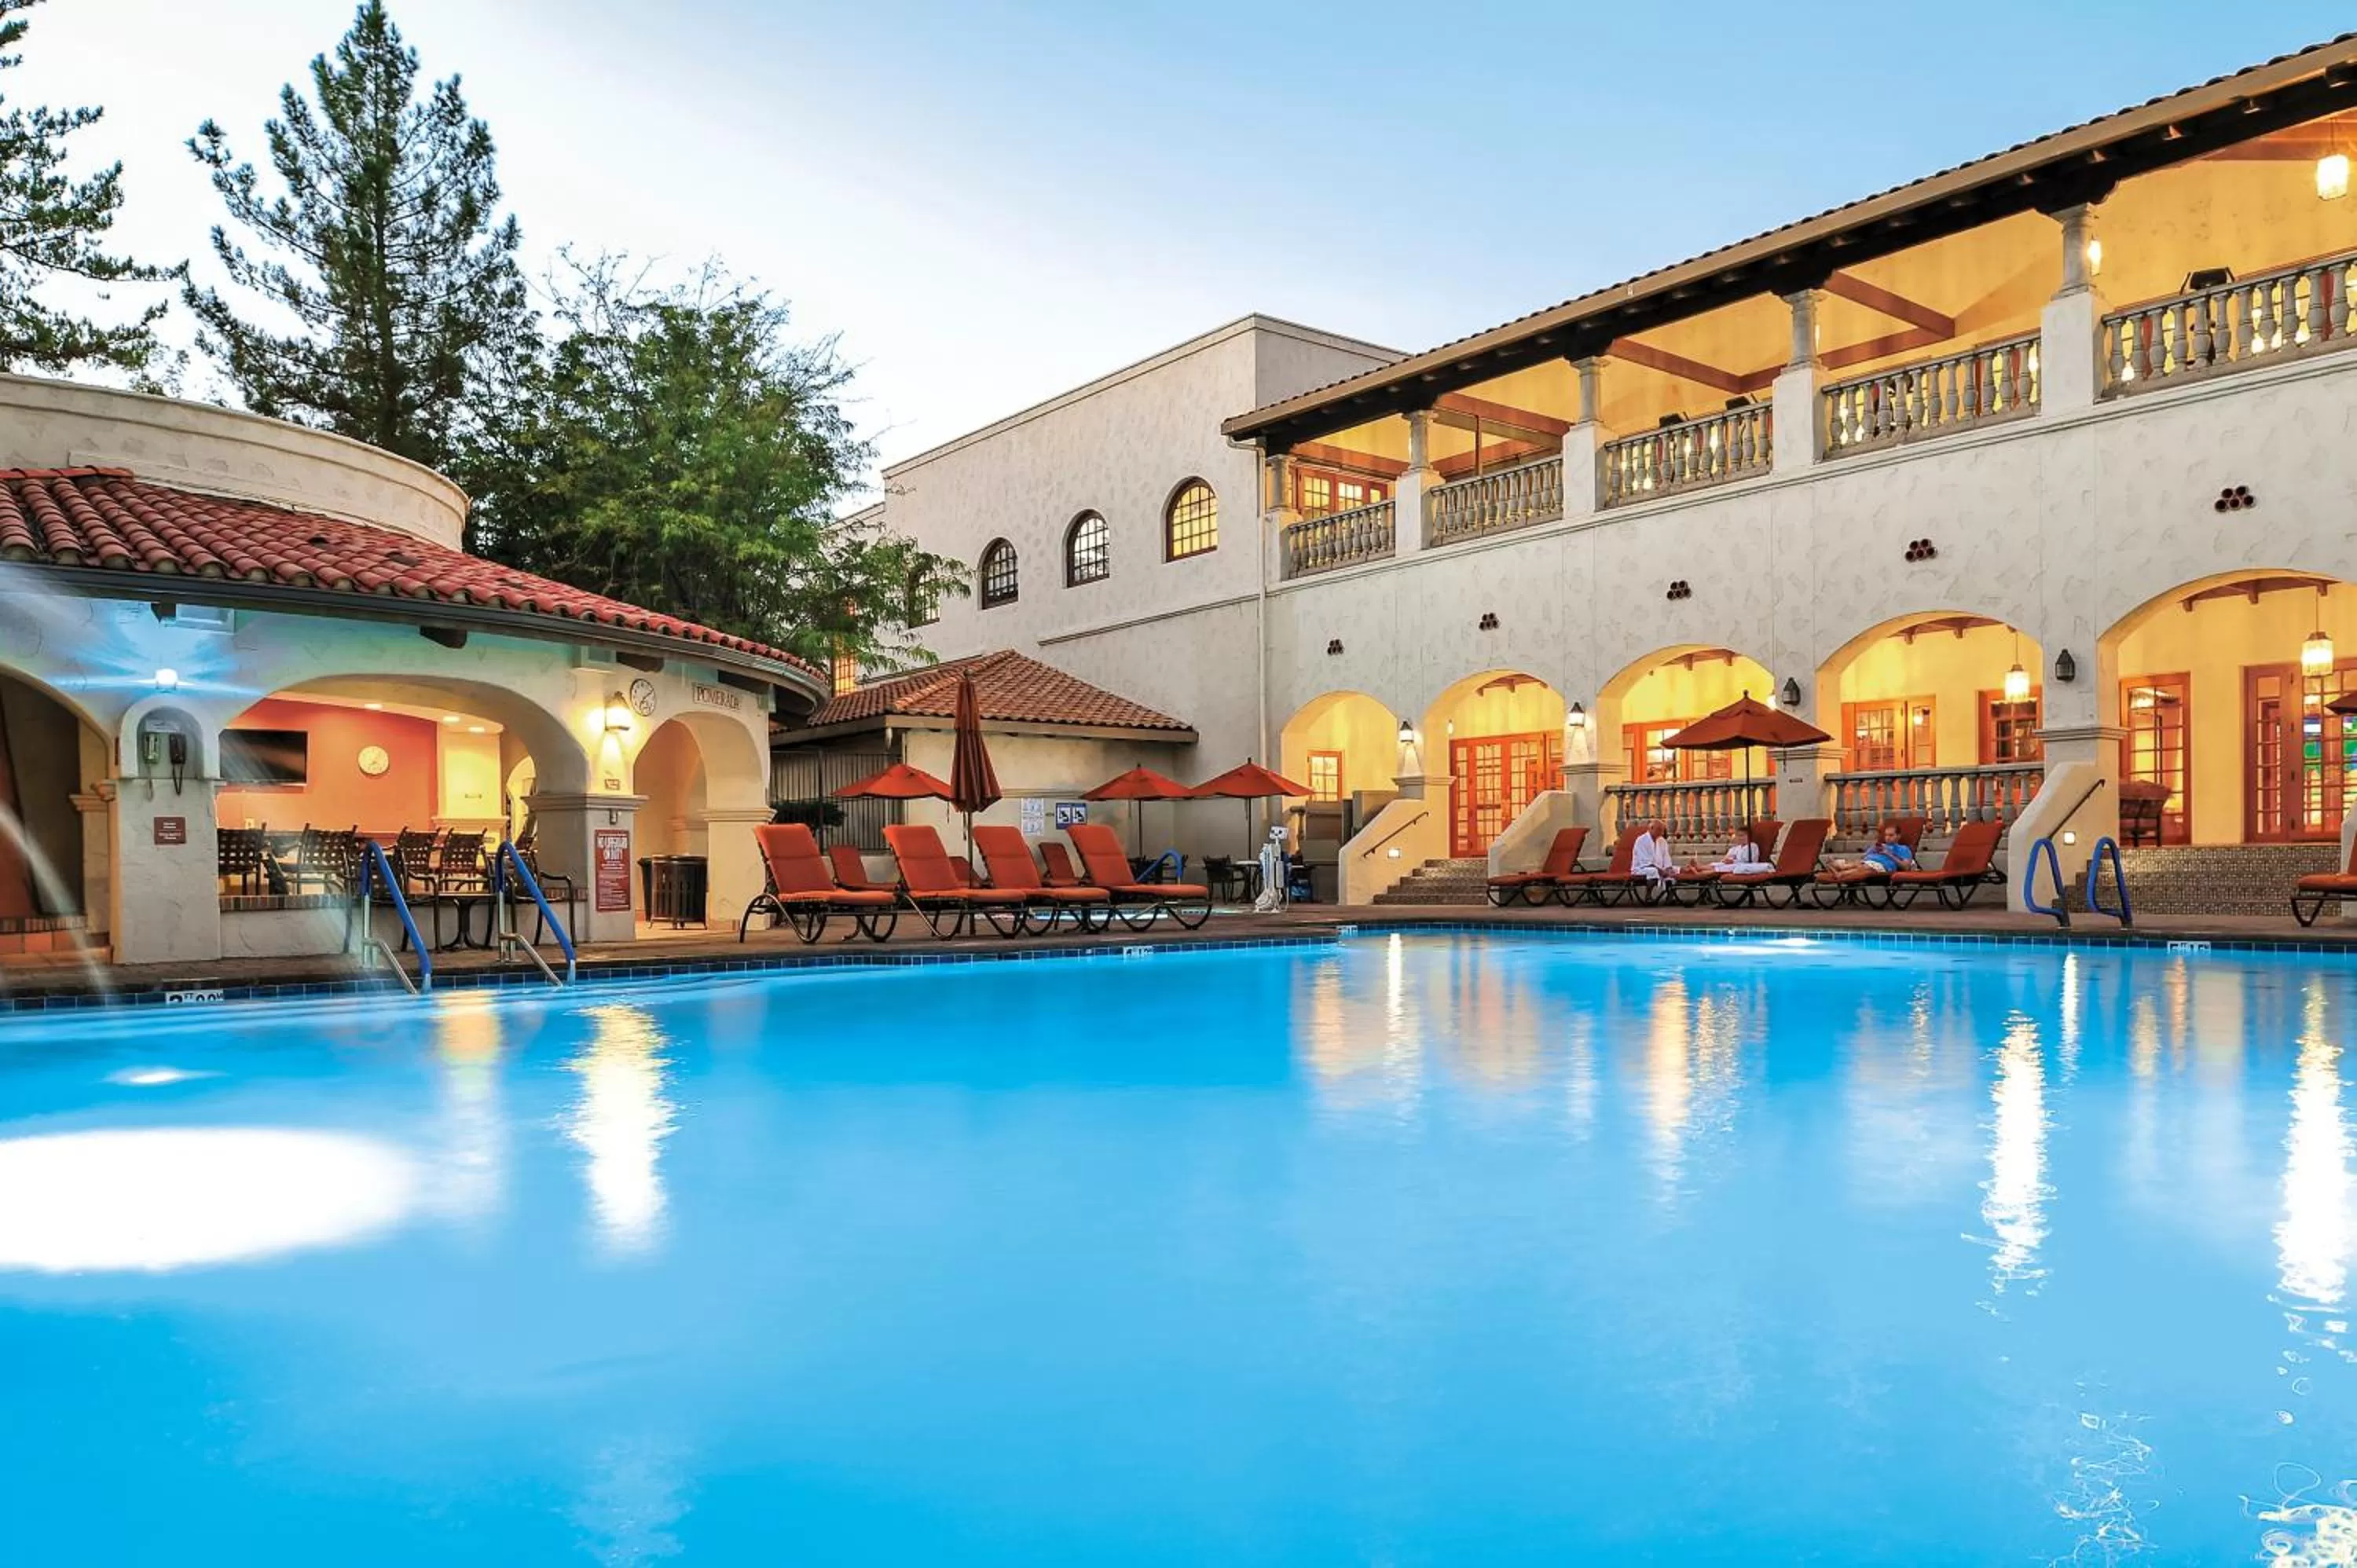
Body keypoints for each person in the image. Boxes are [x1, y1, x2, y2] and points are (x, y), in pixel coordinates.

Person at [1827, 821, 1916, 875]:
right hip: (1866, 862)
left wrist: (1888, 854)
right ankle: (1839, 867)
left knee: (1865, 868)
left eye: (1891, 835)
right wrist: (1872, 850)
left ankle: (1840, 873)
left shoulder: (1903, 849)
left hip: (1881, 866)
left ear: (1898, 836)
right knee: (1857, 864)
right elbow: (1863, 857)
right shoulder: (1880, 846)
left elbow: (1906, 867)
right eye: (1886, 835)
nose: (1887, 838)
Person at [1632, 818, 1678, 885]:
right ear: (1651, 828)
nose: (1662, 833)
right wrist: (1661, 871)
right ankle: (1650, 891)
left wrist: (1668, 869)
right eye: (1659, 830)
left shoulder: (1662, 841)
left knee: (1676, 870)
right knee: (1654, 871)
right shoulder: (1641, 840)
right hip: (1641, 868)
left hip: (1660, 868)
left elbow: (1666, 857)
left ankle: (1669, 890)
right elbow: (1645, 862)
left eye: (1662, 831)